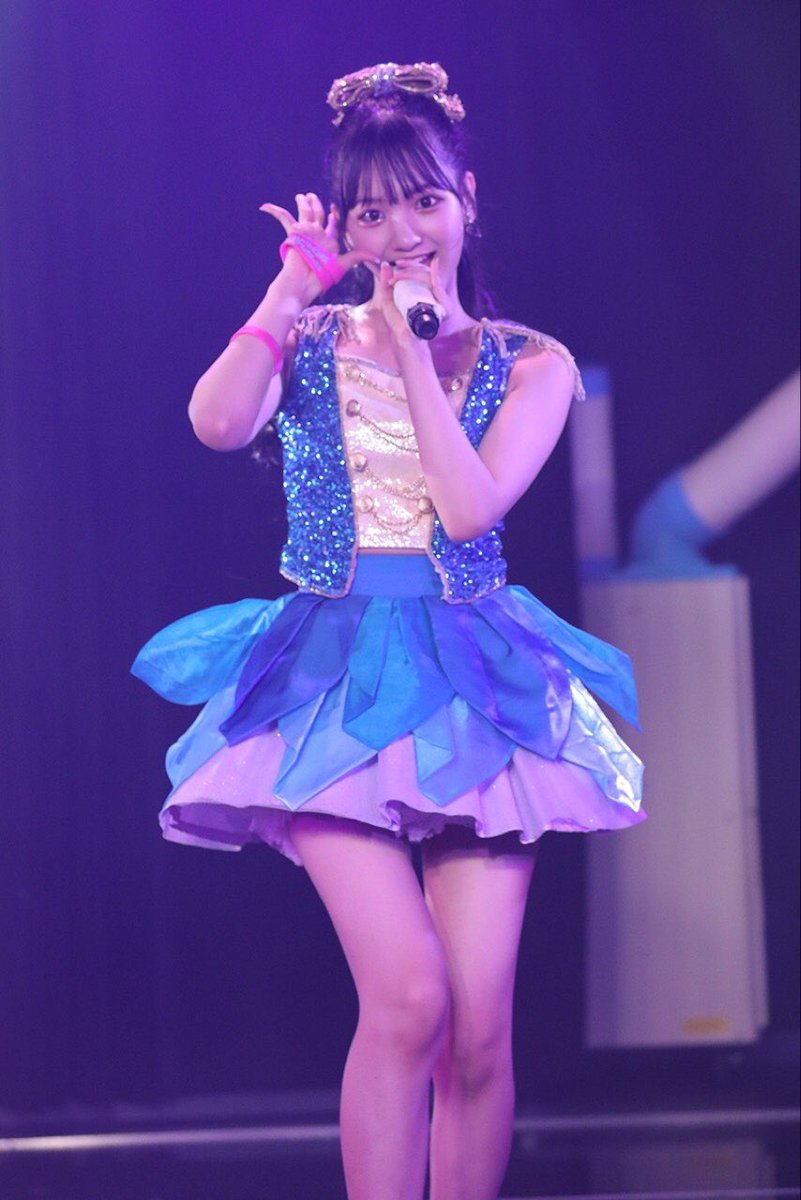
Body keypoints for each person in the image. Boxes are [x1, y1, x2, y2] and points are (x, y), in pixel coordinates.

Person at [132, 61, 645, 1200]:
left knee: (477, 1029)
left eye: (423, 200)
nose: (402, 232)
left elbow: (467, 510)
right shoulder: (311, 339)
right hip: (329, 681)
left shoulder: (531, 364)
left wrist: (416, 345)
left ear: (468, 200)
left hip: (475, 680)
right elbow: (216, 422)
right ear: (346, 228)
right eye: (371, 212)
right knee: (409, 998)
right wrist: (287, 293)